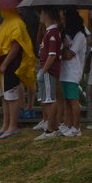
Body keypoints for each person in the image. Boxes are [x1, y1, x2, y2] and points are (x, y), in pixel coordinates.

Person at [0, 8, 36, 140]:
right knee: (4, 97)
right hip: (2, 63)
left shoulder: (17, 23)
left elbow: (16, 45)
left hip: (10, 64)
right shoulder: (7, 22)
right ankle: (5, 125)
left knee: (11, 96)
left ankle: (13, 126)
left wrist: (5, 63)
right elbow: (5, 38)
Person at [35, 8, 63, 141]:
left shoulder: (52, 33)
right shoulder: (49, 32)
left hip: (48, 71)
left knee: (49, 100)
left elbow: (52, 55)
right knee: (46, 100)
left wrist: (43, 70)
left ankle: (51, 129)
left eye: (41, 13)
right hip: (47, 70)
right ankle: (53, 127)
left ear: (47, 14)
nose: (40, 16)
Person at [59, 8, 88, 137]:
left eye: (65, 20)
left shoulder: (80, 36)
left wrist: (63, 50)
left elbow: (69, 55)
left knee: (73, 100)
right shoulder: (68, 35)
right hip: (64, 72)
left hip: (73, 72)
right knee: (66, 100)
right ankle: (68, 124)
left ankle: (76, 127)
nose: (63, 22)